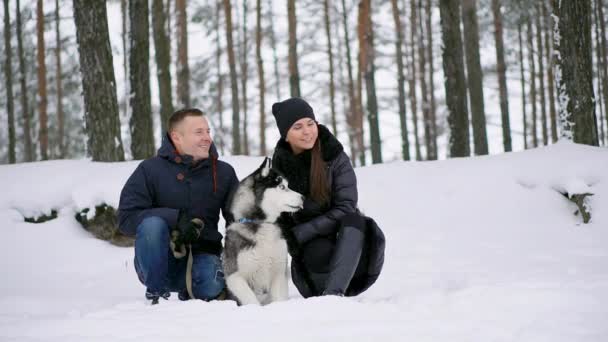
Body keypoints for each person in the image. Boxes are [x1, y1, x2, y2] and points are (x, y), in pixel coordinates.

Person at [118, 108, 239, 304]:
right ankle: (155, 293)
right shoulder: (149, 170)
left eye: (208, 131)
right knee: (152, 225)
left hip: (203, 256)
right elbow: (126, 219)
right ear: (177, 137)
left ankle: (191, 291)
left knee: (211, 286)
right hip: (157, 258)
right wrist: (175, 218)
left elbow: (237, 218)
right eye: (198, 132)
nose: (207, 138)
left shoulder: (224, 172)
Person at [271, 97, 385, 297]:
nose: (307, 131)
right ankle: (325, 292)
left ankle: (334, 295)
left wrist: (301, 233)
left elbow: (346, 207)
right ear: (286, 135)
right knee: (317, 252)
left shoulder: (335, 157)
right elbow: (276, 221)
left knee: (356, 220)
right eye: (297, 127)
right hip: (313, 266)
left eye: (310, 123)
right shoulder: (278, 170)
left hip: (353, 253)